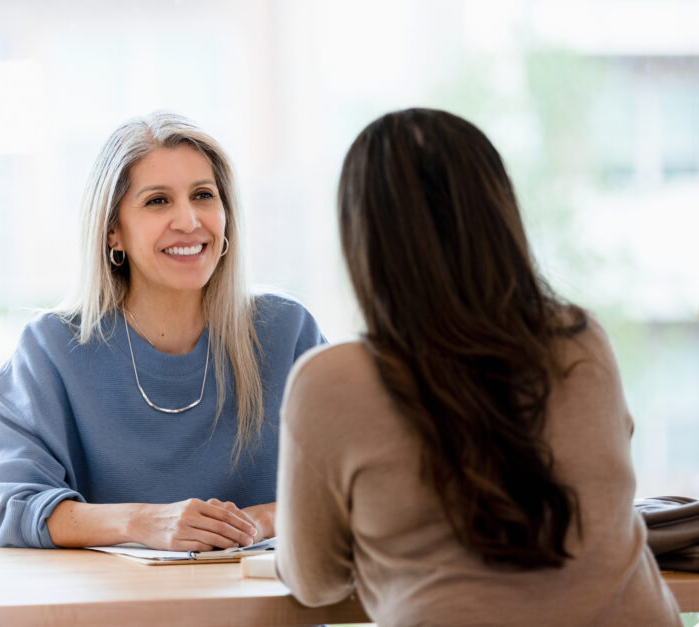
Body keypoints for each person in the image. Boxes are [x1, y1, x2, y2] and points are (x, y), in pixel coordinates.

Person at [275, 108, 681, 625]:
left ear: (365, 237)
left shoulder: (331, 381)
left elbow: (314, 581)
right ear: (500, 216)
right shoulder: (582, 342)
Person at [0, 111, 324, 551]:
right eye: (158, 201)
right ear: (113, 232)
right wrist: (144, 522)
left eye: (203, 195)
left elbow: (360, 488)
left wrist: (256, 522)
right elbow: (15, 506)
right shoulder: (51, 350)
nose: (189, 220)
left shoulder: (288, 332)